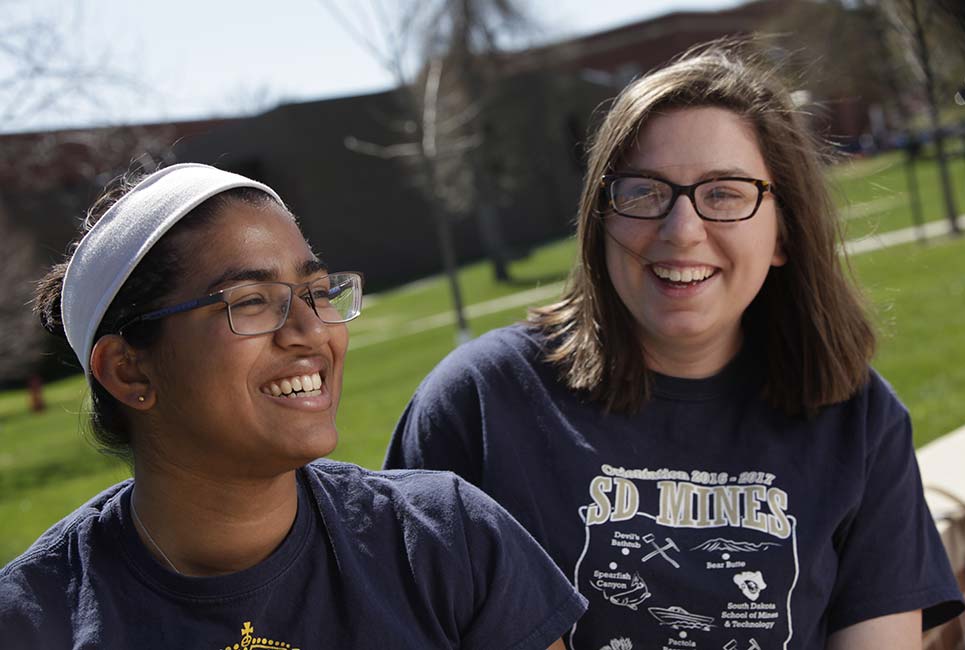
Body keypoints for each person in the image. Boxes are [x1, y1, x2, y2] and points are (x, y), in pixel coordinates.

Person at [384, 44, 965, 649]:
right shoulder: (478, 404)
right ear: (600, 221)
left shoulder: (858, 418)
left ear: (783, 233)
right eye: (643, 192)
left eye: (724, 193)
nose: (682, 230)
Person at [0, 163, 587, 648]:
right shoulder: (33, 622)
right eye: (252, 301)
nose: (311, 330)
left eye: (316, 292)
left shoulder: (445, 540)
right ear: (128, 371)